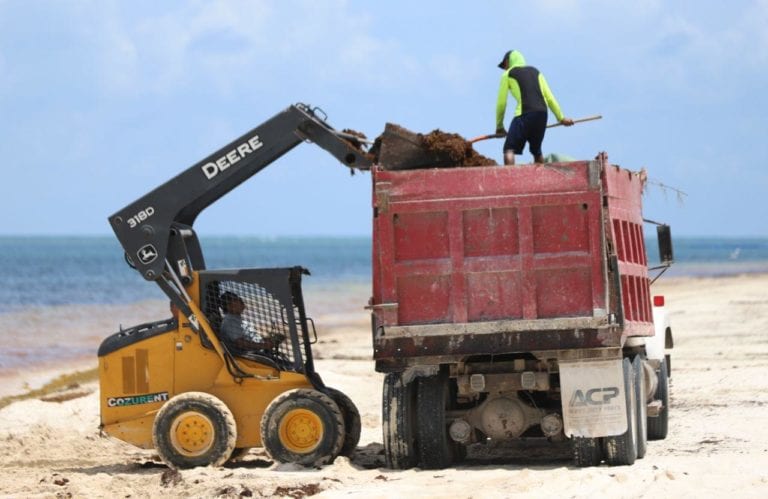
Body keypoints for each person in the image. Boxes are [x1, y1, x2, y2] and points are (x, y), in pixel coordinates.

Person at [495, 50, 574, 165]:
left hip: (524, 113)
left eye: (504, 65)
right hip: (542, 114)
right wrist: (561, 118)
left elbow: (501, 103)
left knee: (509, 150)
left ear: (508, 61)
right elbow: (549, 97)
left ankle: (510, 175)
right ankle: (541, 176)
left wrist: (499, 126)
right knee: (536, 151)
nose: (505, 68)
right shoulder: (536, 72)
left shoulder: (508, 74)